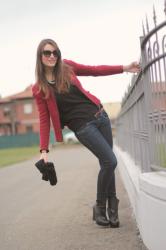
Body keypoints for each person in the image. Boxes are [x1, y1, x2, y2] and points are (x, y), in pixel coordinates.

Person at [32, 38, 140, 227]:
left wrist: (124, 67)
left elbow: (95, 70)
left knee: (107, 164)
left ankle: (112, 210)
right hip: (83, 128)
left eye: (55, 52)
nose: (52, 56)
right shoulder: (39, 88)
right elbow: (43, 120)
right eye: (47, 53)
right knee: (110, 161)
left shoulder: (68, 67)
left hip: (101, 117)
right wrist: (44, 151)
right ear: (40, 56)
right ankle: (99, 207)